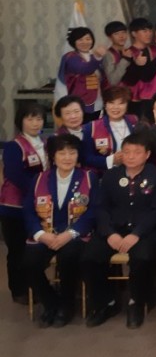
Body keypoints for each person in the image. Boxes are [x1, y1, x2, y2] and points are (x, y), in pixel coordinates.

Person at [82, 132, 156, 329]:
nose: (131, 156)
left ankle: (136, 302)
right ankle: (106, 302)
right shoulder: (111, 176)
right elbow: (101, 208)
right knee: (89, 257)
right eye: (127, 152)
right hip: (114, 229)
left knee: (142, 257)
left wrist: (136, 234)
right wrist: (109, 233)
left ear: (147, 154)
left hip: (145, 231)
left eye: (137, 152)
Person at [23, 134, 96, 327]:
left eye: (72, 152)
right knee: (29, 263)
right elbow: (28, 211)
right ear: (53, 156)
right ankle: (50, 302)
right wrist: (40, 234)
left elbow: (93, 212)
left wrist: (70, 234)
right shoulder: (39, 179)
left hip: (74, 235)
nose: (67, 157)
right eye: (62, 153)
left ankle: (66, 305)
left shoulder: (88, 178)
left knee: (69, 257)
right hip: (45, 234)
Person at [1, 103, 49, 304]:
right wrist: (41, 189)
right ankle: (19, 290)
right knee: (17, 250)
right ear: (20, 121)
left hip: (39, 206)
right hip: (15, 207)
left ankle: (35, 286)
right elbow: (15, 175)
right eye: (30, 119)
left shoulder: (45, 143)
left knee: (34, 250)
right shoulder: (14, 146)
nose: (35, 123)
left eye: (39, 119)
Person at [80, 85, 139, 173]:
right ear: (105, 105)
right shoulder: (91, 127)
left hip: (133, 173)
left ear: (127, 105)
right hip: (104, 176)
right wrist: (111, 160)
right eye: (111, 103)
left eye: (121, 103)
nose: (116, 107)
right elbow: (86, 158)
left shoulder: (134, 121)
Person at [57, 26, 107, 121]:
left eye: (88, 39)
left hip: (97, 101)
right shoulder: (70, 57)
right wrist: (97, 57)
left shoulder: (93, 56)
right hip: (79, 102)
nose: (85, 42)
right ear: (73, 41)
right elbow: (85, 69)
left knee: (94, 127)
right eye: (80, 39)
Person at [122, 17, 156, 119]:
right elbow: (129, 80)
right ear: (134, 34)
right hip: (137, 99)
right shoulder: (128, 53)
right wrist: (136, 64)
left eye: (150, 31)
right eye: (144, 31)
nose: (148, 34)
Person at [102, 20, 130, 88]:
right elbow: (113, 81)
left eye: (123, 32)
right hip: (117, 92)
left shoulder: (129, 51)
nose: (121, 36)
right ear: (109, 37)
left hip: (132, 90)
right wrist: (125, 59)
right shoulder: (108, 54)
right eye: (116, 34)